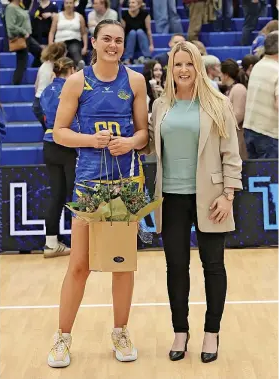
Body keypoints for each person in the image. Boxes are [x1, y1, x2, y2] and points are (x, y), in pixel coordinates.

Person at [47, 19, 148, 367]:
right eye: (107, 39)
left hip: (125, 186)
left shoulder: (135, 80)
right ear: (94, 41)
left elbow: (143, 135)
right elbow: (59, 132)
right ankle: (62, 337)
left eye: (118, 40)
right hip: (89, 184)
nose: (113, 45)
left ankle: (120, 331)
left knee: (123, 265)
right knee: (79, 265)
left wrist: (130, 142)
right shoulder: (77, 82)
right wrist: (91, 140)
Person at [145, 41, 242, 363]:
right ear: (170, 69)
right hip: (170, 198)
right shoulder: (161, 105)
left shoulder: (218, 103)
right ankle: (180, 331)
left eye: (189, 64)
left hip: (212, 198)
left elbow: (232, 156)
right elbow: (149, 145)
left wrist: (228, 196)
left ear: (198, 66)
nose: (183, 70)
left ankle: (212, 333)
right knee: (176, 268)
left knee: (213, 266)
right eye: (177, 64)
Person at [40, 57, 77, 258]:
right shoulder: (71, 89)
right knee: (77, 195)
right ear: (71, 70)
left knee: (57, 196)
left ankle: (51, 243)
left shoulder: (46, 90)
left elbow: (37, 109)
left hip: (48, 144)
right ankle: (81, 245)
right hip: (68, 144)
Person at [244, 32, 278, 159]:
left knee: (257, 176)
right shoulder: (277, 70)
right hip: (269, 134)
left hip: (250, 130)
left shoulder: (258, 66)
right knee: (272, 177)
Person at [5, 0, 42, 85]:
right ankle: (16, 84)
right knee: (22, 63)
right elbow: (10, 26)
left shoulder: (20, 7)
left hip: (28, 37)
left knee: (41, 52)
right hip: (20, 38)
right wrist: (23, 32)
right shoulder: (11, 8)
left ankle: (33, 71)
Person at [32, 42, 67, 131]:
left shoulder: (44, 65)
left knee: (50, 130)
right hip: (45, 102)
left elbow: (36, 84)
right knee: (52, 130)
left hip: (37, 101)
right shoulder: (55, 70)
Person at [221, 59, 248, 160]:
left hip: (238, 137)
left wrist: (221, 125)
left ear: (226, 75)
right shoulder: (231, 88)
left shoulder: (238, 89)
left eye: (221, 73)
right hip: (231, 136)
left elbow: (238, 115)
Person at [48, 0, 88, 69]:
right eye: (67, 3)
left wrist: (85, 47)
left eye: (70, 3)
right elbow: (52, 32)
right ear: (64, 4)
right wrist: (50, 43)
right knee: (60, 50)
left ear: (73, 4)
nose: (69, 5)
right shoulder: (57, 16)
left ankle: (79, 64)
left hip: (74, 40)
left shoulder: (80, 17)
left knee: (74, 48)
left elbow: (84, 33)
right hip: (60, 42)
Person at [121, 0, 153, 64]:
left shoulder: (145, 14)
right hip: (129, 41)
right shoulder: (124, 14)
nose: (130, 4)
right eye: (129, 3)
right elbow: (122, 32)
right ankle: (127, 59)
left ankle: (147, 57)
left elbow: (148, 30)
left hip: (142, 39)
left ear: (139, 5)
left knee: (139, 31)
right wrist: (122, 45)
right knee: (132, 32)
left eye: (133, 2)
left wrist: (151, 44)